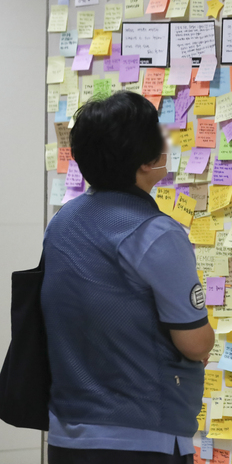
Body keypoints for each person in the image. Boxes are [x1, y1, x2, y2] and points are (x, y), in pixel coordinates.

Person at [41, 91, 215, 464]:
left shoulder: (61, 224)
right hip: (142, 436)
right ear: (145, 162)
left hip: (68, 435)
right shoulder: (156, 233)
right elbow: (196, 344)